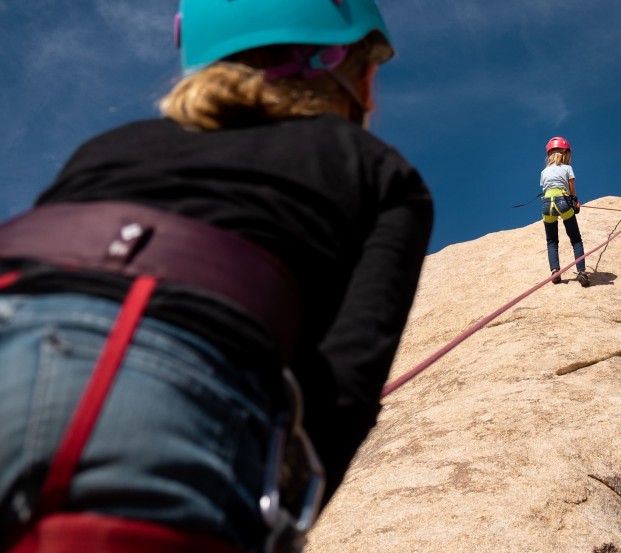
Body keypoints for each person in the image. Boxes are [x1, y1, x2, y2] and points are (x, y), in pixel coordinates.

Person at [0, 0, 433, 551]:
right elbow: (346, 372)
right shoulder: (378, 170)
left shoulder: (108, 147)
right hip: (161, 387)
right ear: (356, 73)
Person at [540, 136, 589, 287]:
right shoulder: (567, 168)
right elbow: (571, 189)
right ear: (565, 153)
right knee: (575, 239)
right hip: (563, 202)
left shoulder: (544, 172)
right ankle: (581, 272)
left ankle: (555, 271)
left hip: (547, 205)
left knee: (552, 241)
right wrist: (575, 201)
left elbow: (545, 189)